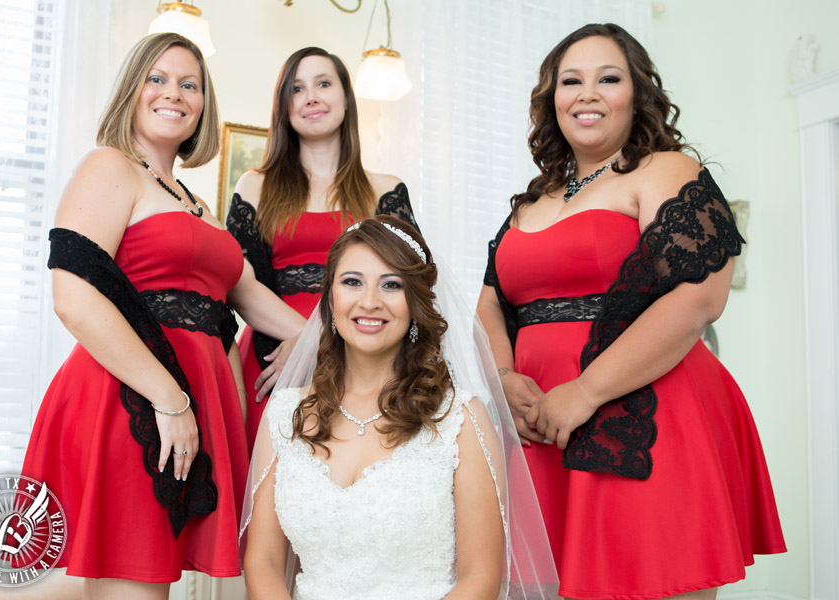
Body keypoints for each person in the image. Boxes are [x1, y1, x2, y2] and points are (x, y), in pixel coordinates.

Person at [477, 23, 786, 600]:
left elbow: (699, 297)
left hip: (642, 412)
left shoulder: (667, 171)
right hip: (536, 424)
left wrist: (587, 391)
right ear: (552, 100)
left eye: (608, 78)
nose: (587, 93)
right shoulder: (533, 199)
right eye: (571, 81)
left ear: (637, 93)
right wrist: (502, 378)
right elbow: (491, 300)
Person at [19, 33, 305, 599]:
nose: (173, 93)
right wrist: (170, 399)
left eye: (189, 83)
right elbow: (72, 297)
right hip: (127, 401)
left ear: (203, 104)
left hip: (184, 404)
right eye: (158, 78)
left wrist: (331, 335)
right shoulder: (110, 168)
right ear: (132, 89)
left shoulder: (192, 202)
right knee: (135, 587)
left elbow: (249, 298)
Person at [241, 216, 558, 600]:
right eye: (352, 281)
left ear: (415, 303)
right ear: (330, 298)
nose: (369, 301)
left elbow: (481, 578)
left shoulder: (461, 418)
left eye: (391, 285)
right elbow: (264, 564)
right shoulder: (285, 415)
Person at [226, 47, 419, 453]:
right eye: (297, 88)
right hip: (273, 360)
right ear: (285, 107)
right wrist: (308, 337)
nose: (311, 97)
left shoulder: (386, 189)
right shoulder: (253, 186)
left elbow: (411, 290)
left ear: (347, 99)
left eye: (324, 84)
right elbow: (237, 283)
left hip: (365, 359)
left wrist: (327, 341)